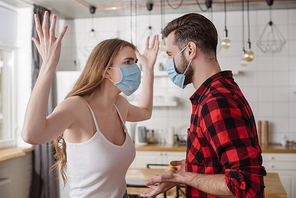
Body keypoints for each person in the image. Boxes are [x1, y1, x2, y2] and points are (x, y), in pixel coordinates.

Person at [21, 11, 159, 198]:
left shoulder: (119, 104)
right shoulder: (76, 107)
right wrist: (48, 65)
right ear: (105, 72)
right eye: (128, 62)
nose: (135, 68)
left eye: (135, 62)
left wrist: (149, 70)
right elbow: (31, 134)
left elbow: (145, 112)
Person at [141, 13, 266, 198]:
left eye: (170, 55)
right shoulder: (214, 93)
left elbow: (245, 185)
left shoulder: (216, 101)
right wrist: (189, 167)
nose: (169, 63)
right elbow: (219, 162)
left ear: (190, 50)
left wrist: (182, 177)